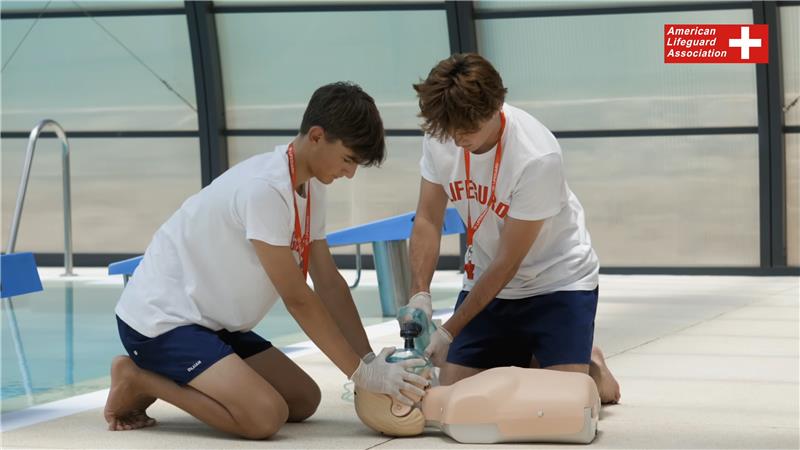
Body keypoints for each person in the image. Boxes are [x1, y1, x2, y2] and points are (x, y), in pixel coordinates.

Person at [103, 82, 428, 439]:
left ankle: (168, 374)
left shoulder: (310, 187)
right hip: (161, 322)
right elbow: (297, 298)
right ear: (317, 136)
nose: (350, 173)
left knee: (303, 400)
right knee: (263, 418)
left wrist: (368, 361)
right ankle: (138, 378)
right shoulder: (265, 189)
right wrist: (361, 376)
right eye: (348, 159)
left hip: (212, 324)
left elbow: (329, 282)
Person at [405, 53, 621, 404]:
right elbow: (428, 218)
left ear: (497, 106)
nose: (458, 139)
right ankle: (540, 358)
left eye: (468, 129)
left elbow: (507, 263)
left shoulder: (536, 157)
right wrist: (420, 294)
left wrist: (448, 330)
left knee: (560, 404)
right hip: (488, 282)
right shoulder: (441, 134)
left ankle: (590, 365)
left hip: (555, 282)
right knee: (455, 393)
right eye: (450, 130)